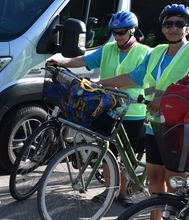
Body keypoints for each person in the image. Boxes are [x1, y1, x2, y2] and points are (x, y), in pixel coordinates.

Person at [100, 4, 189, 220]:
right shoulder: (157, 51)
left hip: (179, 127)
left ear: (188, 28)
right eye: (168, 24)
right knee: (154, 176)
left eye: (180, 24)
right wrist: (103, 84)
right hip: (154, 124)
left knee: (174, 181)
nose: (173, 28)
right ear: (162, 27)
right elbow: (137, 78)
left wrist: (163, 100)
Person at [54, 11, 150, 207]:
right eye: (114, 32)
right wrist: (62, 62)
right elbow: (85, 60)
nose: (117, 36)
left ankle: (124, 193)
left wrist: (100, 83)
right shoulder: (108, 49)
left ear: (132, 31)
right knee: (108, 153)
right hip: (108, 108)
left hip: (132, 111)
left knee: (126, 157)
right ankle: (109, 191)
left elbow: (134, 78)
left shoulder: (145, 52)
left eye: (121, 32)